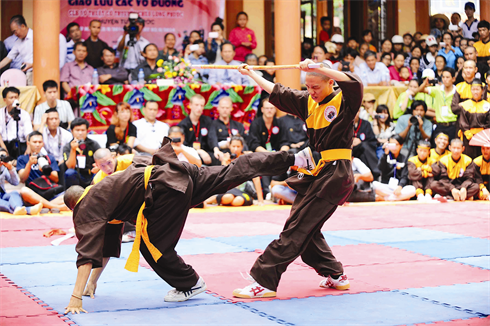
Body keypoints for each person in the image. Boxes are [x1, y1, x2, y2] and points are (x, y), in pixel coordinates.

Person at [63, 137, 312, 313]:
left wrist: (76, 297)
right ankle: (293, 158)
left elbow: (87, 252)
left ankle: (189, 283)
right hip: (178, 172)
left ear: (74, 206)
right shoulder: (101, 193)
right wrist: (92, 283)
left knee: (152, 246)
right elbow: (104, 246)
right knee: (232, 171)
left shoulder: (88, 204)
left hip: (165, 189)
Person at [233, 58, 363, 298]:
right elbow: (279, 92)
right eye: (308, 86)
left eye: (315, 86)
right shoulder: (308, 102)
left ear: (330, 81)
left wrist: (318, 67)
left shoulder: (344, 100)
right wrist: (252, 74)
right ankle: (335, 274)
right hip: (318, 172)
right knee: (305, 228)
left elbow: (355, 82)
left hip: (336, 174)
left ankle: (265, 281)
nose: (310, 92)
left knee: (296, 230)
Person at [206, 136, 263, 206]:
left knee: (237, 201)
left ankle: (221, 201)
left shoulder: (248, 158)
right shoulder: (226, 157)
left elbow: (256, 179)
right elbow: (222, 180)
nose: (235, 149)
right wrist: (224, 163)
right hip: (229, 190)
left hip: (244, 191)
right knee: (228, 197)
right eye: (233, 146)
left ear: (242, 147)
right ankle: (207, 201)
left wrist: (260, 200)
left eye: (238, 146)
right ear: (229, 146)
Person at [17, 131, 67, 211]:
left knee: (67, 196)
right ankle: (55, 207)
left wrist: (46, 170)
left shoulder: (50, 158)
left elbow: (56, 179)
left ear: (43, 143)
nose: (37, 144)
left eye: (40, 142)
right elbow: (22, 179)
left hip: (49, 192)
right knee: (24, 191)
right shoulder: (22, 159)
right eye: (34, 142)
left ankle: (43, 206)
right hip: (33, 193)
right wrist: (29, 164)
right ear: (28, 143)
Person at [452, 78, 490, 158]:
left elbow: (488, 123)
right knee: (468, 158)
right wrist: (470, 135)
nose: (475, 92)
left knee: (482, 158)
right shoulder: (465, 105)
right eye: (473, 89)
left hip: (483, 138)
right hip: (468, 137)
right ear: (471, 90)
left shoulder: (487, 105)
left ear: (482, 90)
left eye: (477, 89)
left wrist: (481, 136)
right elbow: (463, 123)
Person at [418, 68, 458, 143]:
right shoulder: (437, 89)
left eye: (447, 77)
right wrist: (424, 83)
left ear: (453, 79)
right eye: (443, 77)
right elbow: (420, 90)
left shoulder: (458, 91)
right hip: (440, 125)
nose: (445, 79)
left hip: (453, 125)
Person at [0, 147, 42, 215]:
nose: (2, 158)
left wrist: (11, 169)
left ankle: (18, 208)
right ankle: (28, 210)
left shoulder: (4, 169)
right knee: (6, 203)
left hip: (2, 194)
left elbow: (16, 182)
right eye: (1, 156)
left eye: (4, 156)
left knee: (14, 193)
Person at [373, 135, 416, 201]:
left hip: (398, 188)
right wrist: (385, 154)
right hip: (386, 186)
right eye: (392, 144)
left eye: (396, 144)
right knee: (374, 185)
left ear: (401, 145)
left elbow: (404, 176)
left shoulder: (404, 159)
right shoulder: (385, 156)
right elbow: (380, 168)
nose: (394, 147)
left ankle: (386, 199)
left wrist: (400, 186)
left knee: (412, 189)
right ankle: (399, 198)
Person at [63, 118, 101, 188]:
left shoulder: (93, 144)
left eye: (83, 130)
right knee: (69, 173)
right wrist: (73, 150)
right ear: (72, 131)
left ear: (87, 131)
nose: (80, 133)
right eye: (77, 130)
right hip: (76, 175)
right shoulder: (68, 146)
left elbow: (102, 160)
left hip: (91, 174)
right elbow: (70, 167)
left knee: (100, 173)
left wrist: (98, 167)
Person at [178, 95, 215, 165]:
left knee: (217, 158)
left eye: (202, 105)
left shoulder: (207, 121)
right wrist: (199, 151)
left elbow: (211, 139)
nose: (199, 108)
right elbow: (184, 145)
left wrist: (216, 149)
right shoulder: (183, 124)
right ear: (190, 105)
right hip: (190, 153)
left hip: (206, 152)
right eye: (196, 105)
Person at [0, 87, 33, 159]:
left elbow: (28, 133)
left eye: (16, 97)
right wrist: (4, 149)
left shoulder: (24, 114)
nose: (14, 100)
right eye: (11, 98)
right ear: (4, 100)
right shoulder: (1, 113)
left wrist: (29, 148)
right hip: (4, 144)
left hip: (20, 144)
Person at [0, 16, 33, 84]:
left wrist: (32, 64)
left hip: (38, 72)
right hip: (27, 74)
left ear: (23, 26)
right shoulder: (18, 42)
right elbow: (9, 58)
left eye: (15, 31)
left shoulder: (35, 36)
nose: (15, 34)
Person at [353, 110, 380, 180]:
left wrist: (360, 141)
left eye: (357, 112)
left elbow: (373, 141)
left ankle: (374, 175)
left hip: (363, 150)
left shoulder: (366, 124)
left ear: (359, 112)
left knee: (364, 148)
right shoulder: (345, 125)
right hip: (351, 150)